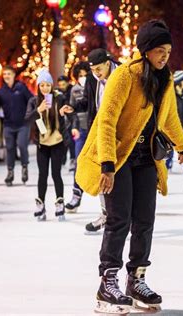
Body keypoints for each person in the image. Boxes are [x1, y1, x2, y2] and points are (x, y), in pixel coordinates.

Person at [76, 20, 183, 313]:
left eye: (168, 50)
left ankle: (136, 278)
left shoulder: (163, 79)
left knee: (145, 220)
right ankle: (108, 282)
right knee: (118, 219)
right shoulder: (126, 75)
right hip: (118, 157)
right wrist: (107, 164)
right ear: (145, 50)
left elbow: (169, 118)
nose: (165, 56)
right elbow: (107, 119)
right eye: (159, 50)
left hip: (146, 159)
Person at [61, 49, 119, 233]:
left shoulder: (121, 75)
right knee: (98, 171)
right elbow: (87, 101)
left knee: (120, 174)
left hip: (121, 132)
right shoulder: (94, 79)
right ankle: (106, 214)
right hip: (99, 130)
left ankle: (121, 217)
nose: (96, 73)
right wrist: (73, 106)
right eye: (93, 70)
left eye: (99, 69)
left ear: (108, 63)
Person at [25, 69, 71, 221]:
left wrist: (65, 113)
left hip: (57, 142)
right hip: (42, 144)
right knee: (42, 175)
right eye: (42, 85)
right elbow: (27, 121)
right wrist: (38, 111)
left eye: (47, 85)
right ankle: (41, 204)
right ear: (38, 86)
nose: (45, 88)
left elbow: (68, 115)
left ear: (52, 85)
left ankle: (60, 203)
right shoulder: (34, 101)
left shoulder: (59, 98)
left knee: (56, 173)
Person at [0, 65, 33, 186]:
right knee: (10, 148)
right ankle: (10, 172)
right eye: (5, 74)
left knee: (22, 145)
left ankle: (24, 168)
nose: (6, 76)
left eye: (8, 74)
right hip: (8, 125)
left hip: (23, 124)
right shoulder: (1, 92)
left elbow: (32, 100)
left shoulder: (21, 88)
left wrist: (34, 115)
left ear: (13, 75)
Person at [63, 61, 91, 213]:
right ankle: (76, 195)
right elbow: (72, 109)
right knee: (79, 163)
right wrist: (74, 126)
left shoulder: (95, 87)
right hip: (80, 130)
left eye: (85, 75)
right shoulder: (74, 90)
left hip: (96, 129)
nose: (83, 78)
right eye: (80, 76)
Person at [166, 70, 183, 188]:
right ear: (180, 81)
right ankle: (164, 174)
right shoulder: (170, 95)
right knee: (169, 152)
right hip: (171, 129)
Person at [56, 75, 76, 171]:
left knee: (71, 141)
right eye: (60, 85)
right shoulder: (57, 92)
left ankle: (72, 159)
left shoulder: (72, 90)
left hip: (71, 118)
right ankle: (62, 159)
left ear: (68, 83)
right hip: (61, 119)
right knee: (63, 140)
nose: (62, 86)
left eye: (63, 84)